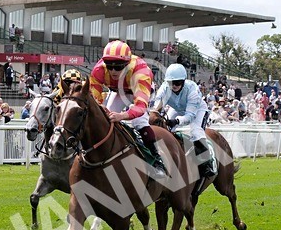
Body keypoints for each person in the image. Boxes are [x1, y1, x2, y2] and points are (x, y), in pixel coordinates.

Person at [89, 40, 166, 176]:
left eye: (118, 67)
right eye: (109, 66)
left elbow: (140, 107)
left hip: (139, 94)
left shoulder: (141, 71)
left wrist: (122, 116)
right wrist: (101, 108)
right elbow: (95, 99)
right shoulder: (98, 70)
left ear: (127, 63)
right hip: (119, 92)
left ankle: (157, 161)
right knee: (104, 119)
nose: (113, 71)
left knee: (139, 122)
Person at [151, 63, 215, 177]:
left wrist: (176, 121)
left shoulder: (192, 91)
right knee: (166, 129)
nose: (174, 86)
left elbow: (190, 116)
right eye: (171, 83)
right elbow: (156, 108)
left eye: (177, 83)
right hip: (177, 109)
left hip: (197, 110)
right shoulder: (164, 88)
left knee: (195, 131)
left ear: (184, 81)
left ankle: (207, 162)